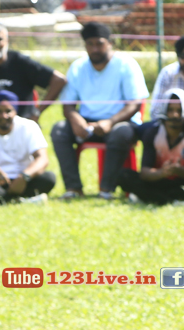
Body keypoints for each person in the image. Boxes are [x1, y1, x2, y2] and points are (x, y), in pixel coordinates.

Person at [52, 21, 148, 199]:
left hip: (119, 122)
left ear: (110, 43)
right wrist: (76, 120)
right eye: (90, 44)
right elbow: (68, 105)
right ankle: (73, 189)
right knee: (59, 130)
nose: (95, 49)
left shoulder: (126, 64)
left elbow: (135, 104)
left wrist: (109, 122)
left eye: (99, 43)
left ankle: (106, 190)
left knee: (121, 133)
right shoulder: (78, 67)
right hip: (87, 124)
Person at [119, 89, 184, 206]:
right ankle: (176, 201)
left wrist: (179, 170)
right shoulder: (152, 133)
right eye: (170, 110)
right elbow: (145, 172)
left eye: (179, 111)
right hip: (159, 180)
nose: (175, 115)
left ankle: (154, 198)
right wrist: (162, 173)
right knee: (124, 176)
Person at [0, 21, 66, 123]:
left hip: (24, 125)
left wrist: (37, 112)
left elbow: (59, 80)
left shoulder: (19, 62)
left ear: (7, 41)